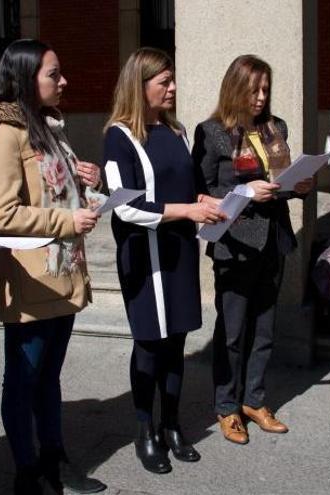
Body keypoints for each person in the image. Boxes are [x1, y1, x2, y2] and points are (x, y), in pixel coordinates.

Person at [0, 39, 106, 494]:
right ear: (25, 78)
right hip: (29, 276)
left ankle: (53, 458)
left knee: (49, 376)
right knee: (23, 380)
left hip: (60, 270)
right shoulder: (2, 132)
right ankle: (27, 471)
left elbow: (52, 190)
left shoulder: (44, 125)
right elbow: (3, 213)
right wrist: (68, 218)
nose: (63, 82)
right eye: (53, 74)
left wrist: (87, 181)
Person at [103, 47, 224, 474]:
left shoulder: (176, 131)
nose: (173, 88)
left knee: (176, 343)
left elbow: (187, 188)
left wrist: (203, 201)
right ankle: (145, 429)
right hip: (145, 257)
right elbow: (125, 207)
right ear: (141, 86)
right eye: (164, 82)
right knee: (150, 345)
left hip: (179, 253)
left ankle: (172, 425)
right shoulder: (120, 136)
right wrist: (187, 211)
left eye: (172, 81)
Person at [192, 54, 314, 445]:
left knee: (264, 327)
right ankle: (226, 407)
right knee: (232, 330)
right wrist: (244, 192)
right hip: (235, 242)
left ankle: (254, 400)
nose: (261, 97)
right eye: (253, 89)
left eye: (266, 89)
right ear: (236, 88)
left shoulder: (274, 128)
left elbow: (283, 179)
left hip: (273, 239)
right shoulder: (212, 132)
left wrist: (300, 185)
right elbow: (202, 190)